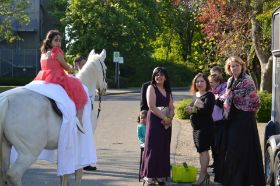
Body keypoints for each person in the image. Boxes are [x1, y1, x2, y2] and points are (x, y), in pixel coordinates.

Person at [222, 56, 265, 186]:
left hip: (245, 118)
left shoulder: (247, 80)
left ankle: (244, 180)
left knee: (244, 149)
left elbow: (254, 101)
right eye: (232, 66)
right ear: (229, 68)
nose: (234, 68)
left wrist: (234, 98)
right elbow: (227, 97)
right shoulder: (230, 80)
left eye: (237, 65)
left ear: (242, 66)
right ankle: (234, 180)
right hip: (232, 118)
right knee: (232, 148)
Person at [34, 30, 87, 133]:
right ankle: (79, 119)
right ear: (50, 42)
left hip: (44, 77)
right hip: (57, 77)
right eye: (56, 40)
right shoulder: (56, 51)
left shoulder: (43, 53)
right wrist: (73, 68)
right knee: (79, 88)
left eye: (60, 41)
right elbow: (66, 67)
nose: (58, 43)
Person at [141, 67, 174, 185]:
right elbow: (151, 106)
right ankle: (149, 176)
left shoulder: (168, 90)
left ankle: (160, 176)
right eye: (156, 75)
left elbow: (171, 107)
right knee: (153, 148)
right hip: (155, 121)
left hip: (166, 124)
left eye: (161, 75)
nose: (158, 77)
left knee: (163, 148)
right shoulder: (151, 88)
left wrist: (170, 118)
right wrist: (165, 118)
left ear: (165, 77)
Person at [186, 73, 215, 185]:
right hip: (196, 128)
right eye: (197, 81)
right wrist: (188, 109)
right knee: (201, 152)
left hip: (205, 128)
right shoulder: (196, 95)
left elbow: (208, 111)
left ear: (206, 83)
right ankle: (204, 175)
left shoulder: (209, 96)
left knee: (203, 151)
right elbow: (192, 107)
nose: (199, 83)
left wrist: (192, 110)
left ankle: (202, 176)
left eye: (202, 81)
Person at [208, 73, 226, 183]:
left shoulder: (224, 90)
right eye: (209, 82)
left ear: (218, 82)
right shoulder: (211, 92)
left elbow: (220, 103)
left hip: (221, 124)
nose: (210, 85)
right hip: (211, 124)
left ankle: (220, 176)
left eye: (212, 82)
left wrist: (213, 98)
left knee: (220, 150)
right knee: (214, 149)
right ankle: (217, 171)